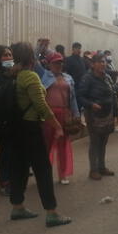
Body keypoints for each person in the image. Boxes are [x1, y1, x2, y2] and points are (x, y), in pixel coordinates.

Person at [9, 42, 71, 227]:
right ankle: (52, 212)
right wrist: (57, 126)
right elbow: (41, 106)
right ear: (31, 58)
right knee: (43, 170)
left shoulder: (12, 75)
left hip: (15, 127)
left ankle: (17, 206)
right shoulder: (30, 77)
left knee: (19, 168)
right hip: (30, 127)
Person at [41, 52, 80, 185]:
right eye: (55, 62)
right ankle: (44, 174)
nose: (58, 65)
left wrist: (76, 114)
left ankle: (62, 175)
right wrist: (41, 48)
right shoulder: (43, 75)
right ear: (49, 64)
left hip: (65, 114)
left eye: (60, 62)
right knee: (47, 144)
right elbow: (34, 60)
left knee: (63, 145)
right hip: (49, 114)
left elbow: (73, 98)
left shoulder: (68, 78)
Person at [77, 54, 118, 180]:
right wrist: (91, 104)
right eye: (100, 62)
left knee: (103, 142)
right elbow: (80, 96)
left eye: (104, 62)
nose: (103, 64)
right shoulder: (87, 78)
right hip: (94, 116)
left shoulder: (107, 77)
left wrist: (117, 113)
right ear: (93, 64)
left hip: (107, 115)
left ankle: (102, 167)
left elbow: (114, 94)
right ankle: (93, 170)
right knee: (95, 142)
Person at [0, 45, 15, 195]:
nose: (8, 58)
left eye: (10, 55)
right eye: (5, 55)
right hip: (1, 120)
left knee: (13, 152)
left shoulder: (14, 74)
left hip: (14, 118)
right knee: (4, 152)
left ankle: (12, 179)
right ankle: (4, 182)